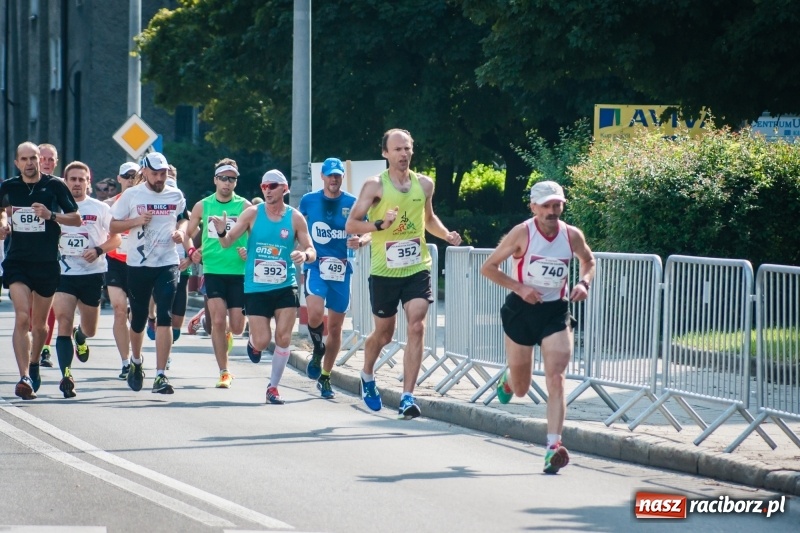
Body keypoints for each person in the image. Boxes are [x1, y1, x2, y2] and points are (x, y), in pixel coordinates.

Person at [345, 128, 462, 419]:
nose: (404, 154)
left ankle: (407, 397)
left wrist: (446, 235)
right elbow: (352, 225)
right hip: (384, 271)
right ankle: (367, 374)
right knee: (384, 334)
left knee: (417, 326)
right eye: (397, 149)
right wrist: (380, 226)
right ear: (385, 153)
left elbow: (429, 219)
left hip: (417, 266)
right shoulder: (375, 186)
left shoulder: (425, 184)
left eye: (407, 148)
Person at [480, 180, 595, 474]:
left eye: (557, 205)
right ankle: (508, 379)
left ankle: (553, 447)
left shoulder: (571, 235)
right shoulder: (522, 233)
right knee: (521, 389)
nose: (552, 211)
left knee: (556, 377)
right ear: (533, 207)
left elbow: (588, 260)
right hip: (521, 311)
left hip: (555, 312)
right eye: (546, 206)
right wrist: (519, 288)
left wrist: (583, 282)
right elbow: (488, 267)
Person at [211, 169, 316, 404]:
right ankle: (253, 344)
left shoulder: (295, 217)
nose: (267, 190)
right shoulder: (252, 214)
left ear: (284, 189)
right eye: (264, 187)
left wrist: (305, 255)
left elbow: (310, 248)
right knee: (261, 340)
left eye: (272, 186)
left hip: (285, 284)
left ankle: (273, 387)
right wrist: (221, 231)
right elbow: (227, 242)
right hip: (256, 287)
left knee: (283, 336)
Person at [0, 142, 81, 399]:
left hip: (46, 262)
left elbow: (76, 217)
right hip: (17, 261)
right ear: (17, 163)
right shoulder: (8, 186)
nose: (29, 163)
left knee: (40, 325)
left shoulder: (55, 185)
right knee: (22, 317)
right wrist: (3, 223)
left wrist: (51, 215)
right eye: (23, 159)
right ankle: (24, 375)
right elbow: (1, 211)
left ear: (39, 159)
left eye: (33, 158)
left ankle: (34, 363)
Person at [110, 152, 188, 395]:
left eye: (163, 173)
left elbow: (183, 219)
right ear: (144, 172)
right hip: (138, 264)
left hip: (167, 262)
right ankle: (135, 362)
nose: (159, 178)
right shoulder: (132, 195)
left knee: (164, 314)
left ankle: (161, 375)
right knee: (140, 317)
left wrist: (181, 233)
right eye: (155, 173)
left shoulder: (175, 193)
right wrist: (134, 221)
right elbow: (112, 225)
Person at [300, 157, 368, 398]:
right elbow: (299, 226)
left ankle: (326, 376)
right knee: (316, 312)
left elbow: (367, 231)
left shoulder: (352, 202)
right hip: (317, 266)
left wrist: (360, 240)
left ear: (342, 177)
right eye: (330, 175)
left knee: (337, 328)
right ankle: (318, 349)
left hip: (341, 269)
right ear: (323, 177)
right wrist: (302, 250)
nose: (334, 179)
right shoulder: (309, 200)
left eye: (338, 175)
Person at [52, 161, 120, 398]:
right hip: (63, 273)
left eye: (82, 179)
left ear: (88, 183)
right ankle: (66, 375)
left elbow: (116, 240)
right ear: (65, 181)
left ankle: (80, 336)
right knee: (63, 321)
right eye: (73, 179)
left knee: (90, 328)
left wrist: (99, 250)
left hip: (92, 273)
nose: (77, 184)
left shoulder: (100, 208)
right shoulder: (56, 206)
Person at [184, 159, 251, 388]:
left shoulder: (244, 207)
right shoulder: (203, 206)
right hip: (213, 270)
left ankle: (215, 325)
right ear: (215, 179)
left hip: (238, 272)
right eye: (223, 178)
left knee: (238, 327)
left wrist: (249, 252)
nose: (227, 183)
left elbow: (256, 236)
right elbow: (187, 232)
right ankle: (224, 371)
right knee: (219, 322)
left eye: (232, 179)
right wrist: (191, 251)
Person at [105, 162, 139, 379]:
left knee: (137, 314)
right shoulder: (109, 204)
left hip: (139, 263)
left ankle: (136, 357)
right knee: (119, 309)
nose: (130, 179)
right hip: (115, 261)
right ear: (119, 179)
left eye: (134, 175)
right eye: (126, 176)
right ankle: (125, 362)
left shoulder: (146, 203)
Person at [36, 143, 61, 368]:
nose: (45, 162)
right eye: (42, 158)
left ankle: (45, 347)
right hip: (22, 251)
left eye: (50, 159)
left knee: (49, 302)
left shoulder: (60, 186)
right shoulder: (18, 186)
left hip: (52, 251)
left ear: (56, 162)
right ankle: (31, 344)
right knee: (28, 307)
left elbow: (74, 214)